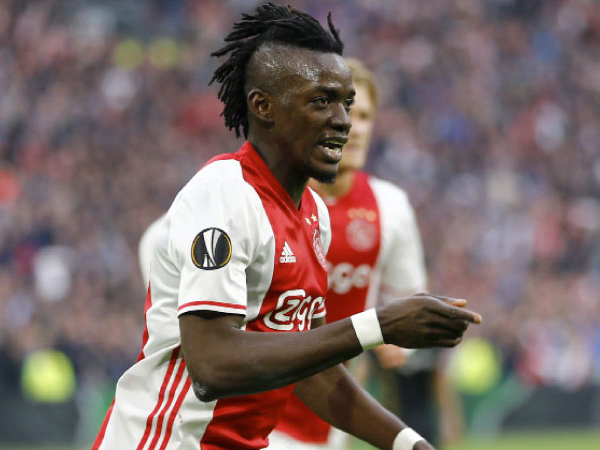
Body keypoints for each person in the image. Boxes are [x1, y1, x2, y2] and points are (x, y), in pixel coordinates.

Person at [93, 4, 481, 449]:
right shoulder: (224, 194)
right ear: (264, 106)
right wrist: (378, 325)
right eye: (321, 102)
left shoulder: (312, 215)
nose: (342, 122)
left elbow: (313, 374)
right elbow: (212, 363)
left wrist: (407, 442)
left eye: (346, 104)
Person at [267, 59, 461, 450]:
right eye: (336, 111)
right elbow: (156, 243)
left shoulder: (391, 207)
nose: (353, 127)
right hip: (249, 418)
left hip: (328, 424)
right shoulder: (262, 196)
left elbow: (406, 308)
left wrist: (401, 339)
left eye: (364, 115)